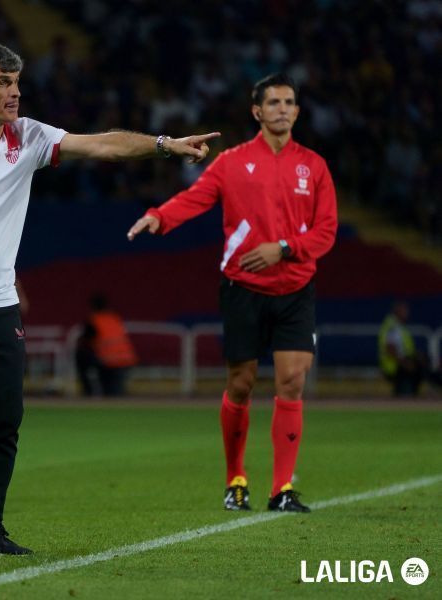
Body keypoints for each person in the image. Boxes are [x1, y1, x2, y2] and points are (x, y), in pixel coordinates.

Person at [0, 40, 218, 558]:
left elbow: (103, 145)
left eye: (17, 82)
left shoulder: (28, 137)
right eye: (4, 82)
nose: (15, 92)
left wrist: (165, 144)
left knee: (4, 419)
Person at [128, 73, 337, 513]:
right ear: (257, 112)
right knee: (241, 384)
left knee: (292, 381)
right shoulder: (232, 163)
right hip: (243, 287)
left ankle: (281, 489)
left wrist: (283, 249)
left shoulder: (314, 166)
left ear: (297, 111)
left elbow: (326, 232)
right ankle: (235, 479)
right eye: (274, 102)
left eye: (289, 102)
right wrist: (159, 217)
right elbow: (195, 198)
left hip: (296, 287)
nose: (282, 108)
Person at [75, 293, 138, 397]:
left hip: (107, 360)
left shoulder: (94, 320)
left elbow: (85, 341)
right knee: (114, 391)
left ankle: (88, 392)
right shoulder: (114, 318)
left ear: (92, 306)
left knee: (81, 355)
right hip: (125, 359)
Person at [378, 301, 425, 396]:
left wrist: (417, 355)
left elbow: (405, 349)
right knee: (414, 368)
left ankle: (411, 394)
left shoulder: (398, 325)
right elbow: (390, 349)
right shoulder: (392, 326)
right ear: (397, 311)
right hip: (394, 367)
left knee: (422, 362)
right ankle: (404, 395)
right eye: (404, 310)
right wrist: (405, 363)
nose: (407, 313)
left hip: (400, 363)